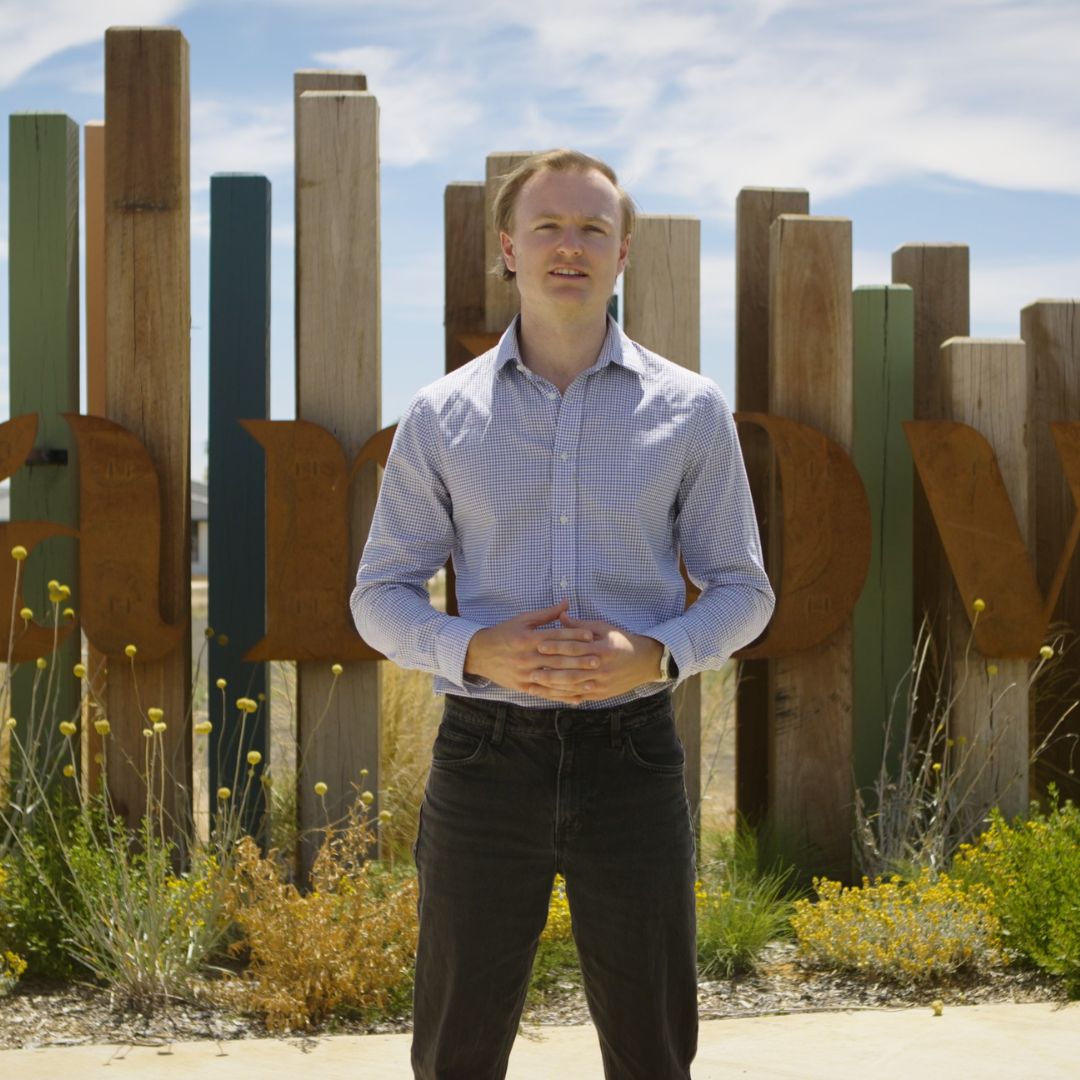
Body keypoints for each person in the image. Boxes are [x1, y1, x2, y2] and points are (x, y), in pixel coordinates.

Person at [351, 148, 774, 1080]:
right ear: (509, 248)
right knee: (456, 1052)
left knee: (654, 1050)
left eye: (592, 228)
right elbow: (378, 595)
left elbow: (745, 589)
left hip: (634, 758)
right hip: (484, 761)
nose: (569, 246)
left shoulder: (691, 410)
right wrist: (473, 649)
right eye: (547, 226)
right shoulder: (441, 415)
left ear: (624, 252)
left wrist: (658, 654)